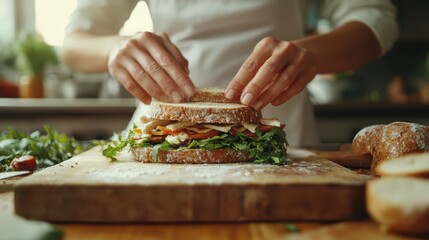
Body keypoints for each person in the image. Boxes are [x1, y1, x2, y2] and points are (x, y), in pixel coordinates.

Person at [61, 0, 398, 146]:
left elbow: (376, 21)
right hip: (162, 130)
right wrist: (116, 47)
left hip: (280, 134)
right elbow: (73, 44)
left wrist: (310, 54)